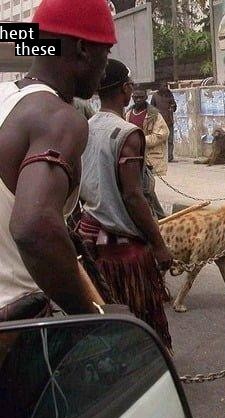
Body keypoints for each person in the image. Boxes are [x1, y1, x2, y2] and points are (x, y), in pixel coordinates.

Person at [0, 0, 116, 321]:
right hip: (15, 326)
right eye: (105, 53)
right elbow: (33, 226)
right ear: (82, 49)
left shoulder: (5, 97)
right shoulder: (59, 118)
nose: (106, 67)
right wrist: (90, 315)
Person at [78, 59, 173, 351]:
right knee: (138, 317)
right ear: (126, 88)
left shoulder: (85, 127)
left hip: (89, 236)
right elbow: (133, 196)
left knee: (104, 317)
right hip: (122, 249)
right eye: (131, 85)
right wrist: (159, 244)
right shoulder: (127, 133)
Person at [126, 87, 169, 219]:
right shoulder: (128, 113)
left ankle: (160, 217)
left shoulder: (154, 115)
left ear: (146, 97)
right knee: (142, 189)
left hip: (149, 157)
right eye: (136, 97)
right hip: (133, 157)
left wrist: (141, 140)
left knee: (147, 188)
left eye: (141, 97)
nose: (138, 100)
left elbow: (162, 134)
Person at [151, 83, 178, 162]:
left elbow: (175, 107)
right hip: (159, 122)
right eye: (164, 86)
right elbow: (151, 108)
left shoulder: (169, 95)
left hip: (169, 121)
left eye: (166, 86)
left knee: (170, 140)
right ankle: (160, 156)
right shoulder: (155, 96)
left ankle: (169, 157)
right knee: (160, 140)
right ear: (160, 87)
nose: (165, 88)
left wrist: (173, 107)